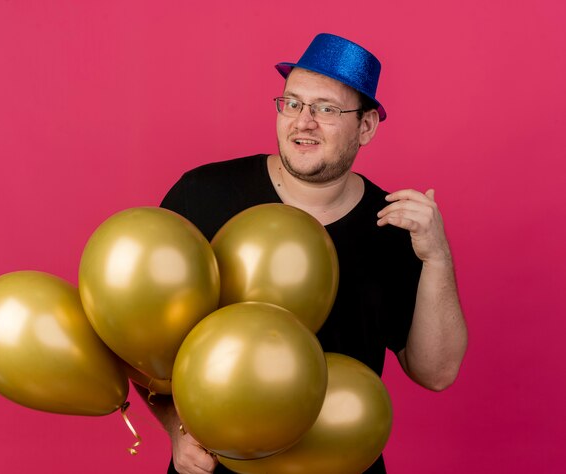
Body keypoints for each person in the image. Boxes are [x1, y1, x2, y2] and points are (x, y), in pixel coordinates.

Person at [135, 33, 468, 474]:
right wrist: (175, 425)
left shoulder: (395, 228)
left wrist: (437, 258)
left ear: (366, 126)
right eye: (292, 103)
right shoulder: (203, 195)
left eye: (327, 109)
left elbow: (437, 372)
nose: (303, 122)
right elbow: (139, 341)